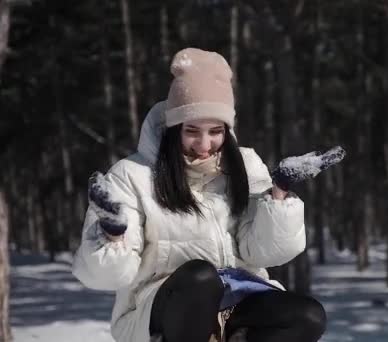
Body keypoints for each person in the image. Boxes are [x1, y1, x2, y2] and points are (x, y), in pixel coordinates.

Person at [72, 48, 344, 342]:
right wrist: (112, 235)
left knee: (308, 316)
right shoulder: (130, 175)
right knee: (201, 277)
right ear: (174, 127)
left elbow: (268, 253)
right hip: (162, 309)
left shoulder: (246, 164)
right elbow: (101, 277)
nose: (204, 144)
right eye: (192, 131)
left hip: (237, 297)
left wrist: (278, 194)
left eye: (216, 131)